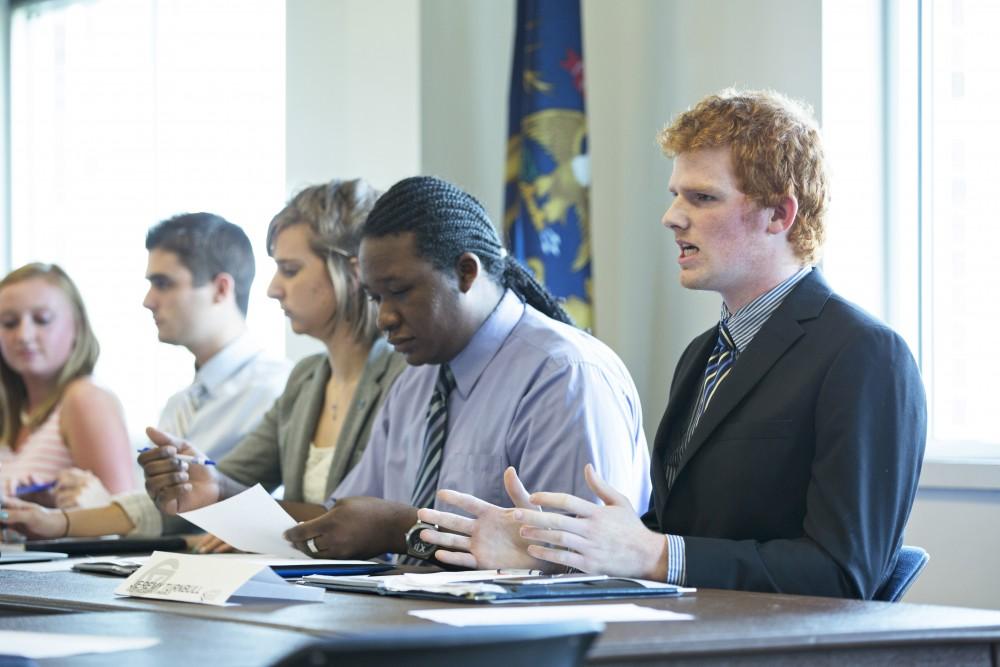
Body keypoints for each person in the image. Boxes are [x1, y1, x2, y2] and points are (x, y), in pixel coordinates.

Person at [418, 89, 927, 600]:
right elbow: (674, 532)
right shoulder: (701, 355)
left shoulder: (864, 354)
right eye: (675, 194)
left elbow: (843, 574)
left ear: (779, 214)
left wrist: (656, 554)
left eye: (702, 198)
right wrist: (555, 548)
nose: (672, 217)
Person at [273, 175, 650, 561]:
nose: (384, 317)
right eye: (375, 297)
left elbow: (578, 560)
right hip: (402, 614)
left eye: (400, 291)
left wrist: (402, 529)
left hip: (518, 621)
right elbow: (354, 514)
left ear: (466, 272)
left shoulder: (563, 374)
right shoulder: (415, 382)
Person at [1, 213, 291, 537]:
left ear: (220, 289)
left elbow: (245, 512)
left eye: (163, 283)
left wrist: (96, 509)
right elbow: (160, 510)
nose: (148, 301)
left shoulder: (279, 390)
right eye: (8, 323)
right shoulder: (179, 403)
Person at [0, 263, 133, 507]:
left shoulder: (86, 399)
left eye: (42, 320)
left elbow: (126, 519)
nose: (23, 336)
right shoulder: (10, 412)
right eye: (9, 323)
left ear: (78, 326)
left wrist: (51, 513)